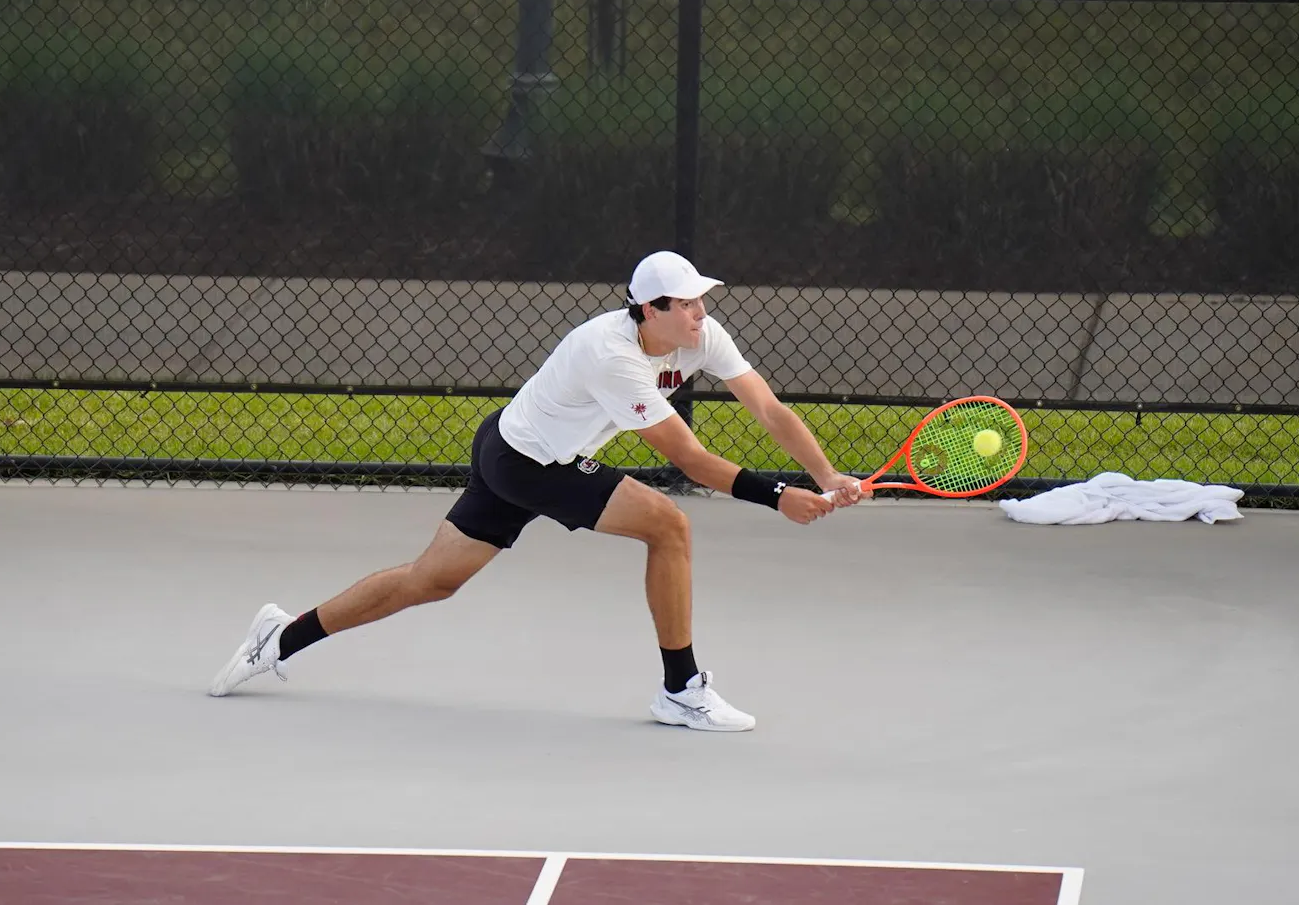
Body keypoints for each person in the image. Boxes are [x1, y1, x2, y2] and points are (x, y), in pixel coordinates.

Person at [207, 250, 863, 730]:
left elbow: (769, 408)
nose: (700, 312)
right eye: (685, 302)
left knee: (429, 580)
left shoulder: (700, 335)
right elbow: (688, 457)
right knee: (669, 525)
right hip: (528, 462)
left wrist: (826, 474)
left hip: (515, 443)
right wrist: (777, 494)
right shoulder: (612, 354)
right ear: (648, 309)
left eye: (700, 299)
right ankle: (681, 688)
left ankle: (281, 636)